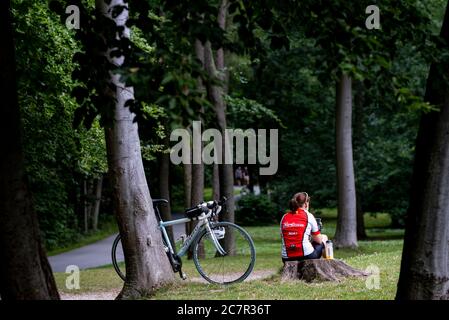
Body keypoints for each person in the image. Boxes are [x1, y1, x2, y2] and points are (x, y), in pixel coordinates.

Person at [280, 192, 328, 262]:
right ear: (305, 204)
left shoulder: (284, 217)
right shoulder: (309, 216)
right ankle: (328, 263)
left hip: (286, 258)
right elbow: (319, 240)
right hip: (306, 256)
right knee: (324, 237)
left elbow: (282, 236)